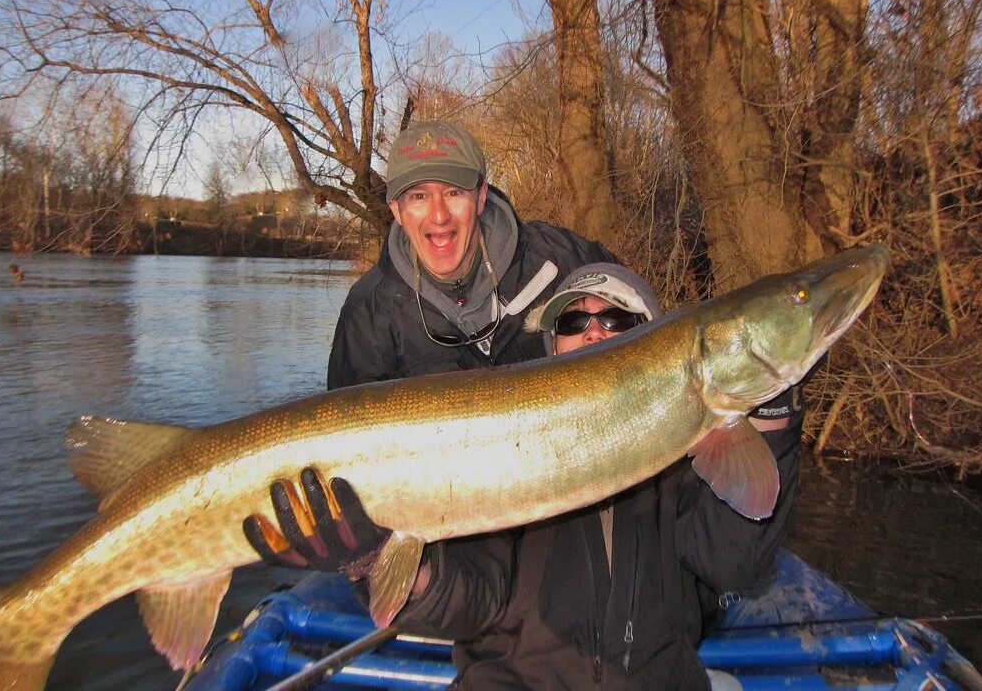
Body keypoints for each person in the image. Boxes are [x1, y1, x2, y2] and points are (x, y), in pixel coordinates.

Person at [244, 262, 806, 690]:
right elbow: (471, 600)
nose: (593, 331)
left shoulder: (688, 462)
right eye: (573, 320)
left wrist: (773, 424)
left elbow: (735, 562)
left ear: (654, 338)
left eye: (616, 319)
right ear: (550, 346)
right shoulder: (499, 454)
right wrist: (379, 562)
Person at [325, 120, 616, 390]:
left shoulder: (558, 258)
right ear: (396, 211)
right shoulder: (368, 311)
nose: (439, 216)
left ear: (480, 198)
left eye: (454, 193)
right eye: (418, 197)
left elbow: (645, 325)